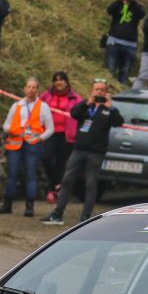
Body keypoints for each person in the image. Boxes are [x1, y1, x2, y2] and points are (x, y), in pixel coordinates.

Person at [41, 80, 124, 225]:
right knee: (67, 181)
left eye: (101, 90)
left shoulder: (108, 110)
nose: (99, 92)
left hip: (96, 153)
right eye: (96, 89)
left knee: (90, 184)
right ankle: (57, 214)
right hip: (79, 150)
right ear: (92, 91)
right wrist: (87, 102)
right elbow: (74, 113)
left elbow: (119, 122)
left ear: (106, 93)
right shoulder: (86, 106)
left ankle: (85, 217)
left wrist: (112, 108)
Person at [0, 77, 55, 216]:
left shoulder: (43, 107)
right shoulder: (17, 105)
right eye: (28, 87)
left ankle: (29, 206)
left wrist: (40, 138)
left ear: (37, 90)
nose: (31, 90)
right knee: (12, 174)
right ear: (25, 89)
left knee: (31, 174)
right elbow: (6, 125)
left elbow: (50, 128)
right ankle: (7, 204)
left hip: (33, 145)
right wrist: (14, 130)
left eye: (34, 87)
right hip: (16, 143)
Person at [40, 71, 83, 202]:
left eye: (62, 79)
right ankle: (55, 184)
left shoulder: (75, 98)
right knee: (46, 158)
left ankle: (54, 191)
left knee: (60, 163)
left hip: (67, 134)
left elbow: (81, 112)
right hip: (49, 131)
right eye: (56, 80)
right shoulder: (46, 96)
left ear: (66, 82)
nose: (59, 82)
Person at [104, 0, 146, 86]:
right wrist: (120, 0)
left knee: (124, 72)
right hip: (114, 41)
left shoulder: (136, 7)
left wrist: (132, 1)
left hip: (130, 44)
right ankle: (109, 91)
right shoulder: (118, 4)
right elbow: (109, 11)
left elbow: (141, 14)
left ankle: (121, 92)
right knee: (111, 69)